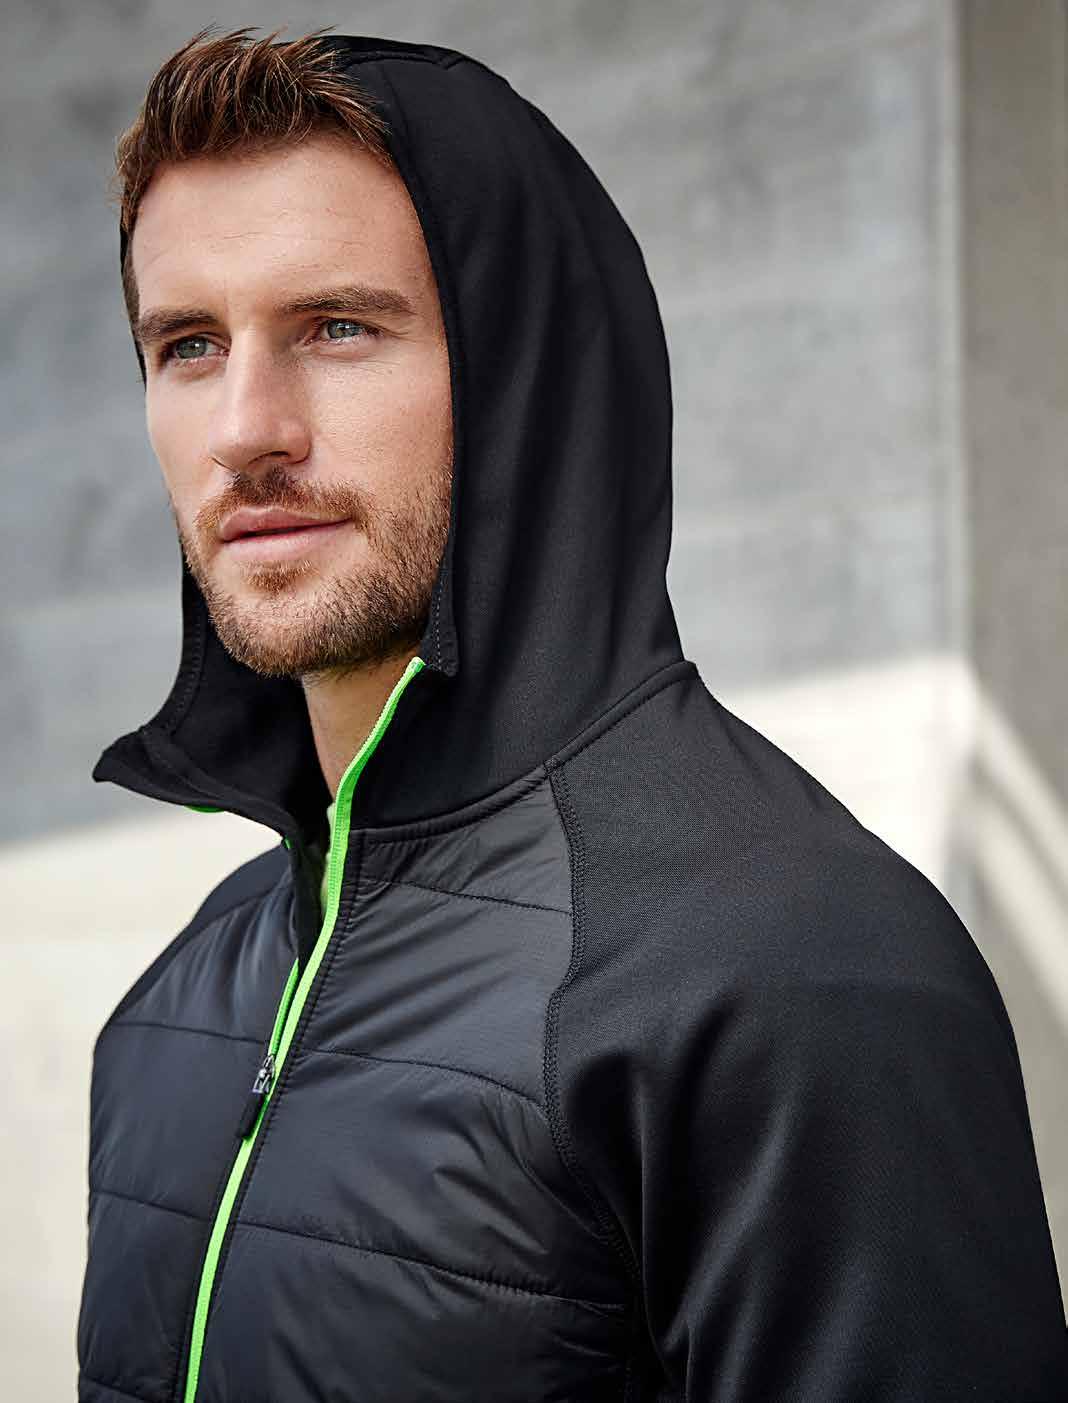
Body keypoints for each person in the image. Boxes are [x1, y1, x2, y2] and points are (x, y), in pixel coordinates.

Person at [76, 25, 1067, 1403]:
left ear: (523, 376)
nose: (246, 429)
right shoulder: (179, 1001)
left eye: (339, 327)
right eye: (187, 345)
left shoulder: (797, 972)